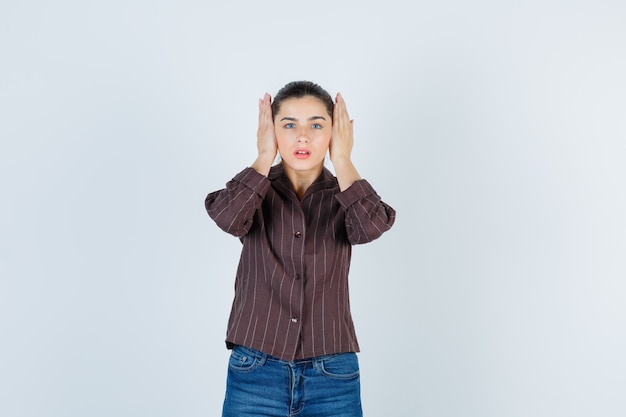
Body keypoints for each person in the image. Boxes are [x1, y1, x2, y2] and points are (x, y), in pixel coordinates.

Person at [205, 81, 396, 417]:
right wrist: (264, 156)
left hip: (332, 375)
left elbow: (371, 226)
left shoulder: (345, 195)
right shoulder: (255, 189)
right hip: (255, 371)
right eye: (289, 124)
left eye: (317, 125)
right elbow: (227, 217)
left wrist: (342, 158)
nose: (302, 136)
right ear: (271, 130)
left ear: (335, 132)